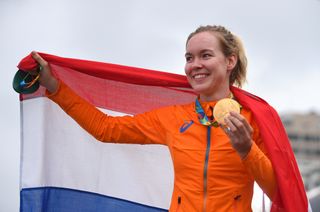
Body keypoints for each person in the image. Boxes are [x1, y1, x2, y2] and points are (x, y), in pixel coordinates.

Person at [30, 25, 306, 211]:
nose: (194, 65)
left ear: (230, 61)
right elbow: (106, 128)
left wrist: (247, 151)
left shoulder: (254, 120)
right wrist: (56, 88)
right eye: (189, 57)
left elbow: (277, 190)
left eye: (205, 55)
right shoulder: (173, 118)